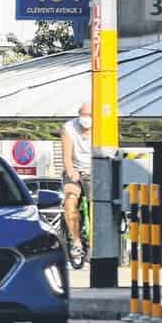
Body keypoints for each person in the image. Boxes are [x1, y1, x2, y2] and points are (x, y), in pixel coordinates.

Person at [61, 102, 92, 260]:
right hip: (76, 171)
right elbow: (66, 157)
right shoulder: (69, 128)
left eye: (90, 115)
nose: (86, 119)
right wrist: (71, 172)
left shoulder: (103, 128)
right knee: (70, 200)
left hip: (95, 171)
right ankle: (76, 242)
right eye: (83, 114)